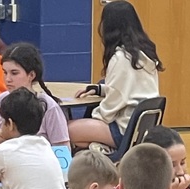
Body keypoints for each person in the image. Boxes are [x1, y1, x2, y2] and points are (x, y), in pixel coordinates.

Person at [68, 0, 162, 150]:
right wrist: (101, 89)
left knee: (65, 130)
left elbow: (113, 104)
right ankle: (101, 150)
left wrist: (93, 118)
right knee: (85, 139)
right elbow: (130, 90)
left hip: (124, 130)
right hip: (141, 130)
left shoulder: (121, 58)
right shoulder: (144, 54)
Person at [0, 42, 70, 148]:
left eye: (14, 73)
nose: (8, 79)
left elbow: (62, 148)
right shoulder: (1, 100)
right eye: (5, 72)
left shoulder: (49, 106)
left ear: (31, 75)